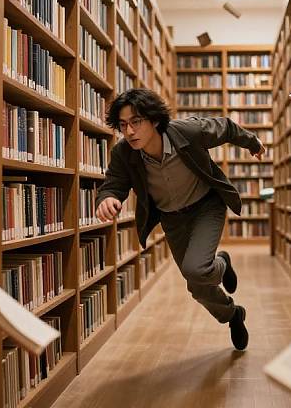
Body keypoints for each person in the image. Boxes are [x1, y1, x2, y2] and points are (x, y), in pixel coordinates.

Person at [95, 88, 265, 350]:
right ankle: (233, 314)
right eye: (123, 125)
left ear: (154, 120)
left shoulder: (186, 131)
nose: (129, 131)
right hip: (172, 219)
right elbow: (113, 183)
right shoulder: (124, 153)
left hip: (206, 207)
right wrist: (106, 198)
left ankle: (218, 263)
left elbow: (227, 127)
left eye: (136, 122)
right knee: (197, 286)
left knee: (195, 269)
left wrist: (252, 143)